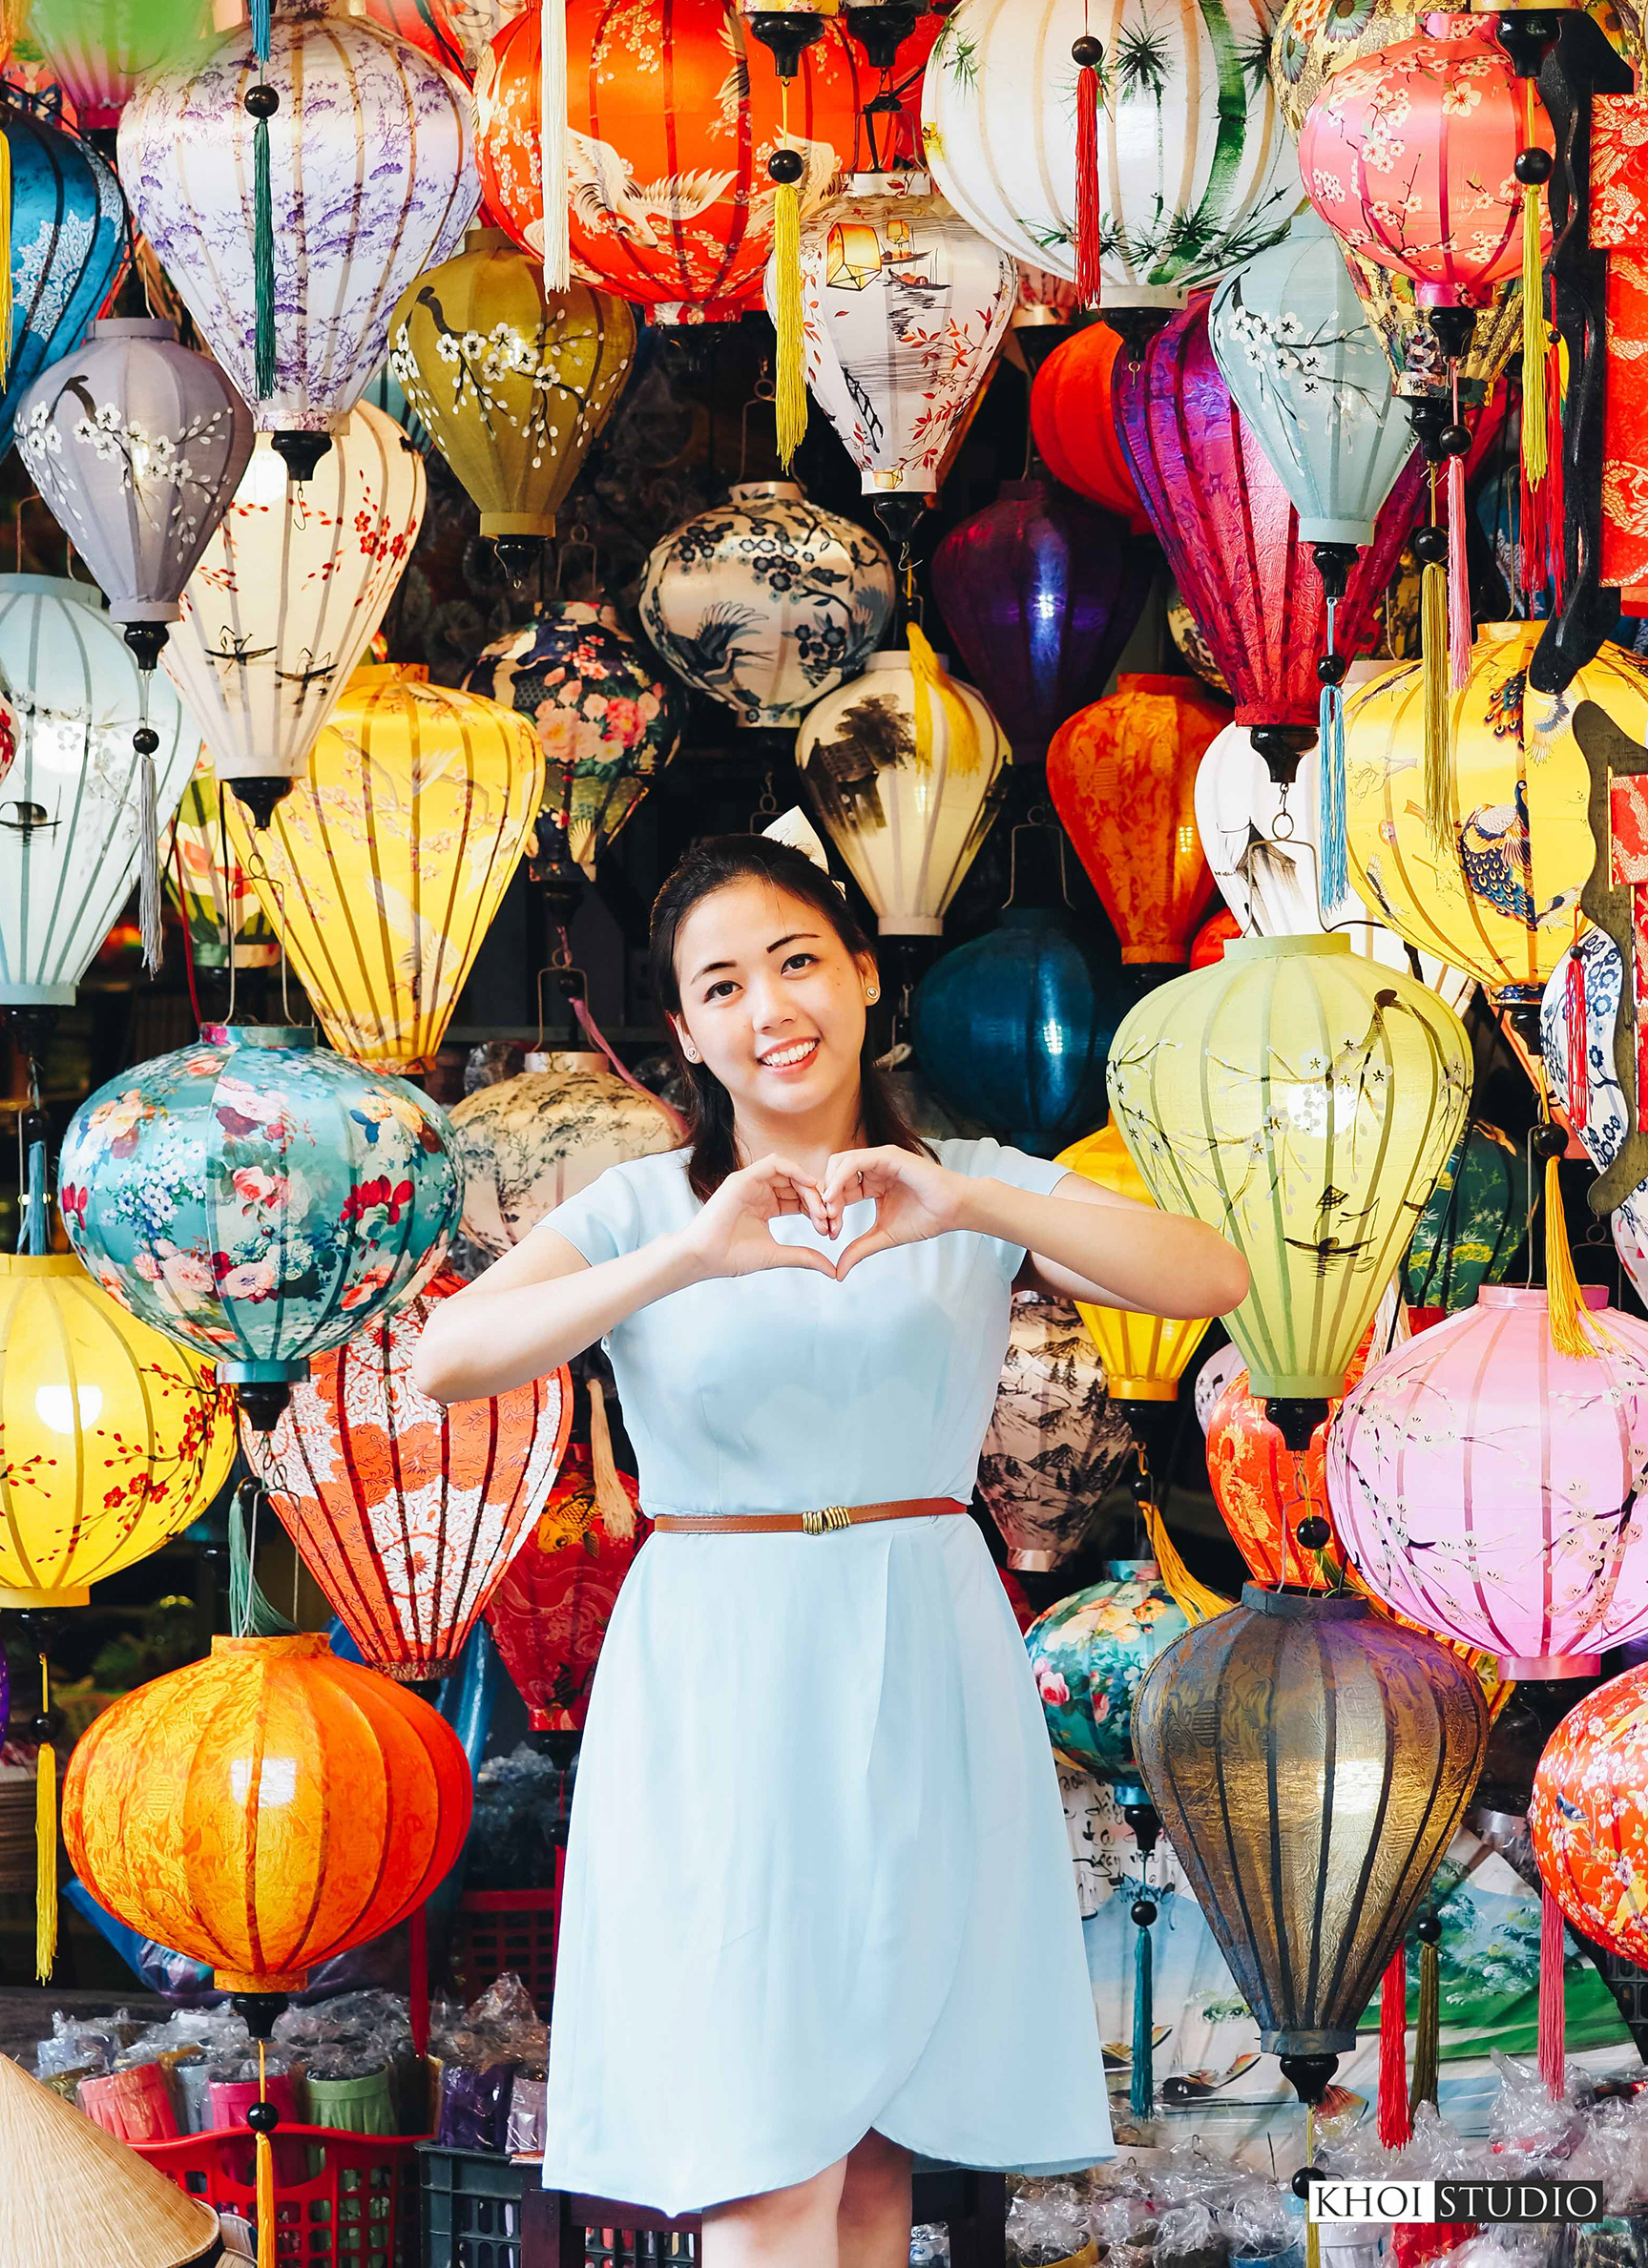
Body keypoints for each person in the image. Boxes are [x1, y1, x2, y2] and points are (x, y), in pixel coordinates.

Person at [417, 832, 1248, 2267]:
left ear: (865, 976)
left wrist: (974, 1203)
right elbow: (448, 1361)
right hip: (721, 1655)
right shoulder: (639, 1210)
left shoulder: (972, 1184)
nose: (770, 1009)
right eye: (723, 986)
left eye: (797, 962)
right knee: (764, 2142)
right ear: (684, 1033)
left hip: (922, 1638)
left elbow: (1209, 1276)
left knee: (874, 2153)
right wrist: (689, 1254)